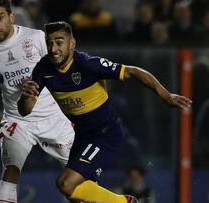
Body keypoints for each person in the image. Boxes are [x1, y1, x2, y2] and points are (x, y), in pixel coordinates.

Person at [18, 21, 192, 203]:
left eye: (59, 42)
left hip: (105, 135)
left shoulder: (87, 64)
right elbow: (24, 111)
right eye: (49, 43)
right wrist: (25, 97)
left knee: (65, 183)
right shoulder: (43, 68)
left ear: (72, 43)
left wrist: (166, 96)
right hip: (82, 137)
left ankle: (124, 202)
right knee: (78, 196)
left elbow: (132, 71)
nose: (53, 49)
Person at [0, 1, 75, 202]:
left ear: (11, 17)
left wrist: (41, 80)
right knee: (11, 170)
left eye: (0, 17)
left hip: (54, 118)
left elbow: (61, 66)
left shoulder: (35, 37)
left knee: (79, 178)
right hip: (17, 120)